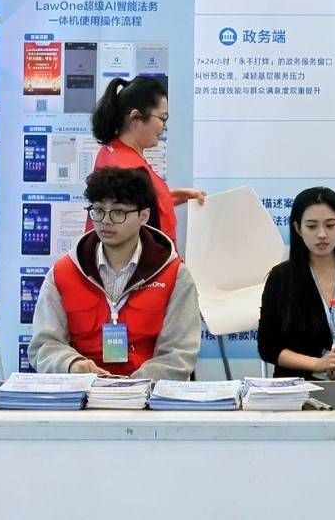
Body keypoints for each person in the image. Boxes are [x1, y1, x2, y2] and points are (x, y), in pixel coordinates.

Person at [29, 165, 200, 379]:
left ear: (144, 215)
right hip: (83, 391)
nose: (106, 221)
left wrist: (131, 386)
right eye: (99, 210)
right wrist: (73, 365)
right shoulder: (63, 273)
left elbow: (179, 353)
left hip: (149, 393)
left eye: (118, 212)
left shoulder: (174, 275)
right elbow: (44, 345)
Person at [255, 187, 335, 379]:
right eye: (312, 226)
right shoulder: (281, 277)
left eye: (330, 225)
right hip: (296, 385)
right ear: (298, 228)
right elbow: (268, 347)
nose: (322, 234)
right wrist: (319, 364)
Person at [90, 74, 205, 245]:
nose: (164, 127)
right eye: (162, 118)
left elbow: (134, 203)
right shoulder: (129, 169)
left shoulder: (112, 151)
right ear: (136, 118)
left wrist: (170, 197)